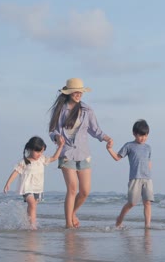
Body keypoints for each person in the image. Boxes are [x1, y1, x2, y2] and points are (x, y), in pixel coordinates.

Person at [48, 78, 112, 229]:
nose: (78, 94)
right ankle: (68, 225)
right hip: (66, 152)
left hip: (83, 153)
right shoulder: (60, 109)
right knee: (72, 188)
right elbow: (53, 130)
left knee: (84, 191)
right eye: (75, 92)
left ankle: (72, 213)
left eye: (80, 92)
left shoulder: (87, 110)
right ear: (69, 93)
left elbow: (95, 130)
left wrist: (106, 138)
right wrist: (57, 137)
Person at [3, 136, 64, 230]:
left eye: (42, 152)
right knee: (32, 204)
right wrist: (8, 183)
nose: (40, 154)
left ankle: (27, 223)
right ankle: (33, 226)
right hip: (26, 188)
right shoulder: (24, 161)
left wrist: (60, 146)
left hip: (38, 188)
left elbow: (54, 158)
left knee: (33, 206)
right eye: (37, 151)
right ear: (30, 149)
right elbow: (16, 172)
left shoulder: (42, 159)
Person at [106, 119, 153, 229]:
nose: (143, 138)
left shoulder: (148, 147)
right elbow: (117, 158)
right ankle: (119, 219)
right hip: (135, 178)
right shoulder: (129, 146)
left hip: (147, 179)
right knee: (132, 203)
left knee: (148, 203)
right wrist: (109, 149)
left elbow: (149, 162)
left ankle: (147, 226)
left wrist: (149, 174)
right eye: (140, 135)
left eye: (145, 135)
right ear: (134, 134)